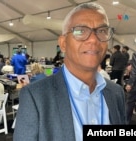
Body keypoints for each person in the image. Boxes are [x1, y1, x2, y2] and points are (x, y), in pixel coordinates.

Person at [13, 3, 126, 141]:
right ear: (63, 43)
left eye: (102, 31)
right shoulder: (36, 97)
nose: (93, 39)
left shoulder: (116, 92)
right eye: (80, 31)